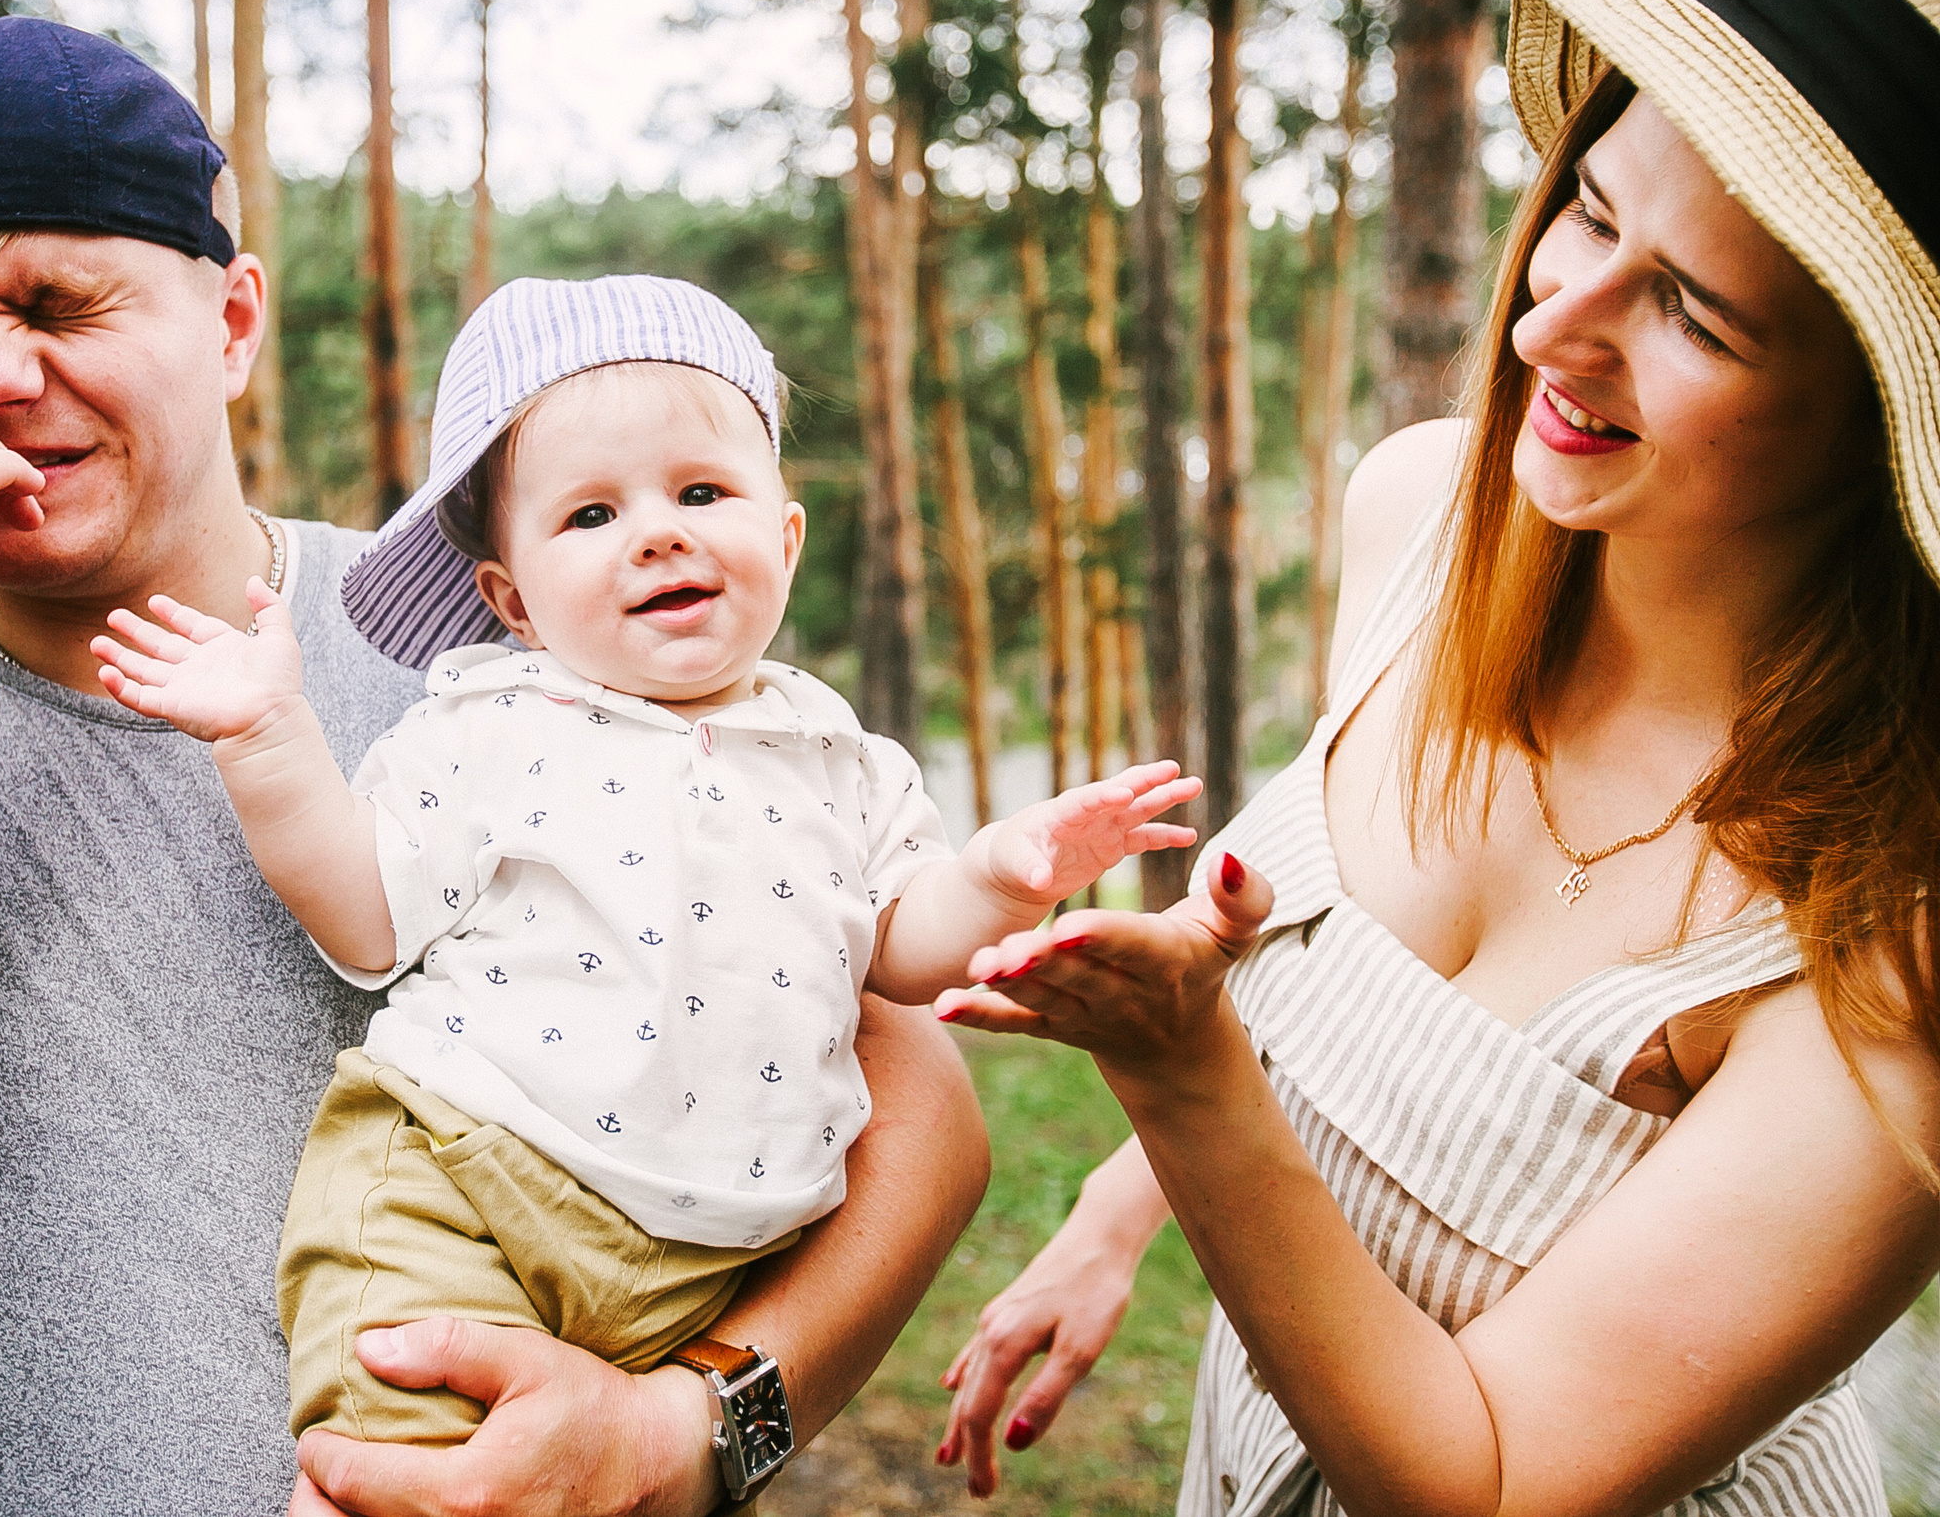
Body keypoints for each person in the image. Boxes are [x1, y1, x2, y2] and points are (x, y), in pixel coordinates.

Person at [0, 17, 991, 1517]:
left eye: (57, 305)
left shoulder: (523, 648)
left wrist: (691, 1434)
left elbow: (922, 1120)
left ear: (232, 324)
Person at [934, 0, 1940, 1517]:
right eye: (1590, 213)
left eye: (1688, 308)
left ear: (1879, 434)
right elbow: (1333, 1007)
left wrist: (1182, 1082)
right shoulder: (1419, 519)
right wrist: (1113, 1216)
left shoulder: (1886, 934)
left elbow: (1487, 1480)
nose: (1558, 326)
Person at [87, 274, 1200, 1476]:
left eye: (702, 492)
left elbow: (905, 950)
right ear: (510, 599)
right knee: (393, 1475)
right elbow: (363, 915)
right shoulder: (489, 724)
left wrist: (1002, 873)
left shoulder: (838, 755)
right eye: (588, 516)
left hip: (716, 1261)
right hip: (468, 1191)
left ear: (783, 537)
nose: (658, 531)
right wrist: (269, 739)